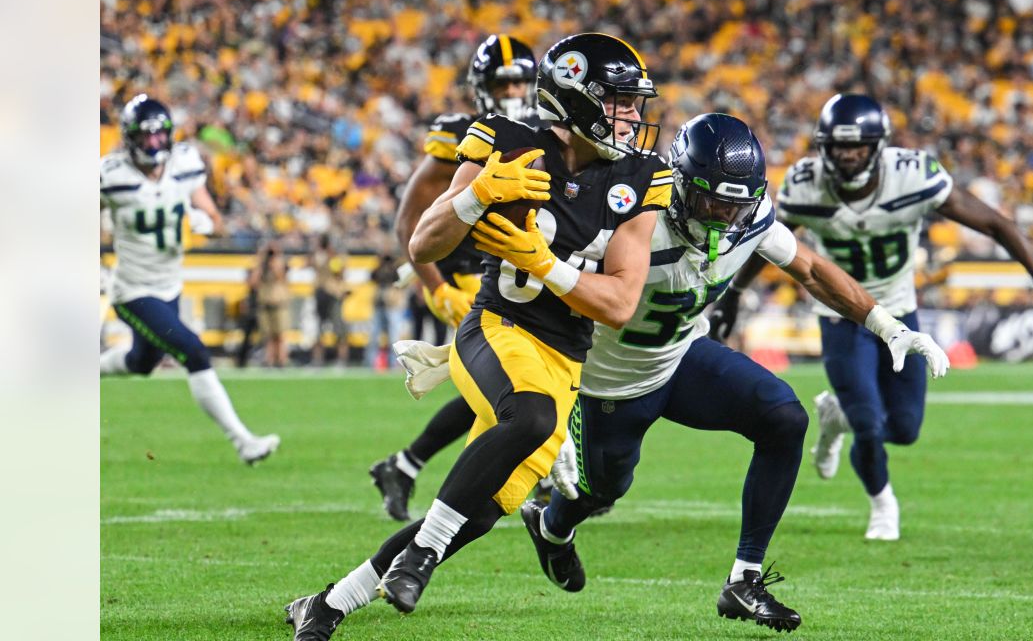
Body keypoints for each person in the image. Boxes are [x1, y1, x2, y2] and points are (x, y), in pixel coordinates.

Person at [284, 32, 670, 639]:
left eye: (633, 102)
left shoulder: (642, 178)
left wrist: (547, 264)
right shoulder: (506, 140)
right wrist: (478, 196)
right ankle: (421, 556)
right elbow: (422, 242)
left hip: (565, 359)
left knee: (480, 511)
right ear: (577, 99)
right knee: (534, 419)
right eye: (618, 101)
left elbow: (620, 302)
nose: (632, 116)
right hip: (496, 326)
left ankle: (329, 602)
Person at [523, 114, 949, 633]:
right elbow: (545, 307)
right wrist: (553, 408)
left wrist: (885, 324)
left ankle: (743, 582)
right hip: (610, 382)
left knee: (784, 418)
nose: (727, 215)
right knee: (599, 492)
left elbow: (810, 268)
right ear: (680, 185)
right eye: (714, 201)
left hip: (682, 355)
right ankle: (551, 529)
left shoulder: (750, 216)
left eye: (738, 203)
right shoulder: (629, 217)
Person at [710, 93, 1033, 541]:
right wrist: (733, 295)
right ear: (823, 147)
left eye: (858, 146)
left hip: (899, 311)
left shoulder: (911, 176)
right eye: (839, 146)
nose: (848, 156)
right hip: (840, 312)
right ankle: (882, 503)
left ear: (879, 146)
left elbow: (995, 224)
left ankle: (836, 417)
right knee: (869, 422)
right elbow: (765, 237)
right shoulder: (805, 184)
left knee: (904, 429)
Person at [368, 34, 539, 521]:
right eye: (502, 82)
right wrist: (436, 286)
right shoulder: (468, 133)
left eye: (522, 81)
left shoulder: (551, 128)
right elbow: (410, 219)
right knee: (514, 387)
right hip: (471, 276)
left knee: (502, 389)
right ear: (480, 87)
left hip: (524, 272)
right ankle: (532, 487)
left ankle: (404, 466)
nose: (512, 91)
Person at [99, 93, 280, 464]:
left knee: (141, 362)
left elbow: (215, 220)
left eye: (159, 135)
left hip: (169, 285)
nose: (153, 144)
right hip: (132, 291)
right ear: (130, 138)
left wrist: (205, 223)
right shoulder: (110, 175)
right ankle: (243, 440)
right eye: (145, 136)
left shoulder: (184, 163)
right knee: (193, 351)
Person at [309, 235, 350, 366]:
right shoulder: (318, 256)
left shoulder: (335, 257)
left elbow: (340, 274)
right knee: (317, 329)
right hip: (320, 294)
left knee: (338, 328)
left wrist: (332, 256)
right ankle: (317, 359)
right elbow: (309, 264)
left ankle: (341, 360)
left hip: (333, 295)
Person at [253, 240, 290, 368]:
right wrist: (260, 262)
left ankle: (281, 360)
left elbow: (282, 277)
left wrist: (275, 262)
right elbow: (253, 282)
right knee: (267, 335)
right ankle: (269, 360)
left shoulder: (280, 263)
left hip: (279, 302)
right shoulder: (261, 266)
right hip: (265, 302)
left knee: (279, 334)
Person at [368, 252, 405, 369]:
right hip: (380, 304)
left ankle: (394, 362)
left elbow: (399, 283)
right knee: (376, 334)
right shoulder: (379, 271)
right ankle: (372, 361)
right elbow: (372, 276)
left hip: (390, 305)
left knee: (393, 334)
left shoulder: (394, 271)